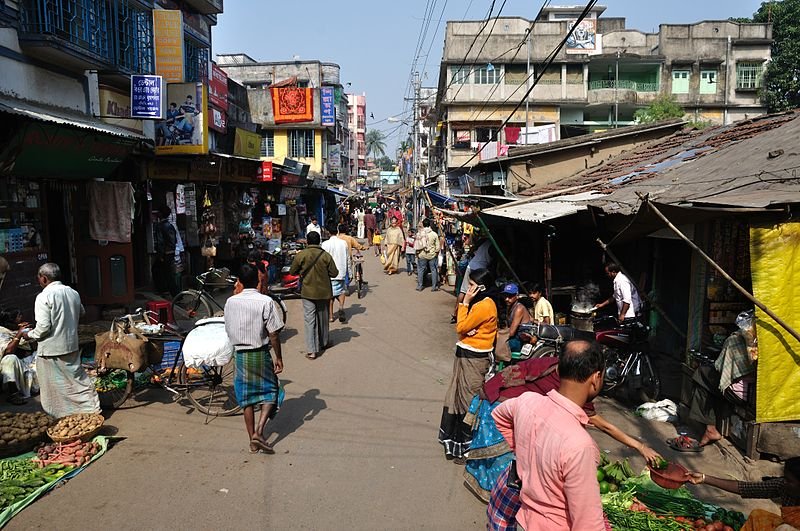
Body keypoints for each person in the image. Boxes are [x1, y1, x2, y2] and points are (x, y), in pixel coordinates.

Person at [471, 356, 662, 521]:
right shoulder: (570, 404)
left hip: (502, 402)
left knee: (513, 472)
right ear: (595, 377)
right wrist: (640, 446)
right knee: (508, 471)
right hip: (500, 407)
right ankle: (504, 503)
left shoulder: (555, 369)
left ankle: (500, 501)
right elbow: (604, 426)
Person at [491, 340, 606, 531]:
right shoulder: (580, 444)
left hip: (524, 518)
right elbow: (588, 524)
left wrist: (523, 454)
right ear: (596, 377)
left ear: (558, 371)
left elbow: (499, 415)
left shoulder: (527, 402)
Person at [22, 263, 100, 418]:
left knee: (53, 387)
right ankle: (90, 410)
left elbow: (43, 327)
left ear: (44, 278)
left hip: (51, 350)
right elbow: (82, 313)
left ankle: (61, 415)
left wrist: (29, 335)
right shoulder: (72, 292)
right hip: (71, 344)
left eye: (39, 278)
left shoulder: (43, 296)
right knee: (77, 381)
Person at [224, 264, 285, 454]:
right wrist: (279, 357)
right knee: (271, 390)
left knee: (247, 398)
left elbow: (227, 327)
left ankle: (253, 440)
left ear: (240, 282)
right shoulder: (265, 302)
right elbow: (273, 333)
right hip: (259, 353)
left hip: (240, 355)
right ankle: (259, 431)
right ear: (257, 281)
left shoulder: (230, 302)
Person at [439, 268, 497, 464]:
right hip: (465, 354)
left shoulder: (484, 306)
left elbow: (461, 327)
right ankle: (456, 444)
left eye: (472, 285)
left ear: (482, 287)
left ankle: (469, 449)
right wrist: (466, 329)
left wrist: (464, 304)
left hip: (475, 358)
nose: (469, 289)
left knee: (468, 401)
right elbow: (464, 330)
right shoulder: (479, 304)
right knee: (456, 396)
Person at [686, 458, 800, 530]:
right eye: (785, 478)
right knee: (758, 515)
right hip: (785, 526)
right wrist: (704, 478)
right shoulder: (783, 486)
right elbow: (746, 488)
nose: (785, 482)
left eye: (789, 481)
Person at [288, 231, 338, 360]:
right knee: (323, 318)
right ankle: (324, 342)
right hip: (323, 292)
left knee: (310, 321)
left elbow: (292, 271)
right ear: (319, 241)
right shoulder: (325, 256)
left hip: (308, 292)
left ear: (307, 241)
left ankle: (312, 351)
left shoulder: (301, 255)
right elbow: (334, 273)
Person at [0, 308, 38, 405]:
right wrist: (19, 334)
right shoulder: (2, 332)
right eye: (18, 316)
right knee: (10, 359)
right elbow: (9, 351)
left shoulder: (17, 329)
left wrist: (30, 334)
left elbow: (33, 347)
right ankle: (13, 394)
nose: (21, 318)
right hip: (11, 366)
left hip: (26, 362)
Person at [453, 236, 495, 323]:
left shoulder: (483, 241)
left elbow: (472, 251)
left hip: (472, 265)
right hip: (480, 270)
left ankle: (455, 313)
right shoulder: (493, 245)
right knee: (475, 293)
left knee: (463, 291)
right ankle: (464, 313)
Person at [322, 224, 350, 324]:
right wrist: (349, 273)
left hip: (329, 274)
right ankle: (341, 307)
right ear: (337, 232)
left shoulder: (325, 244)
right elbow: (348, 259)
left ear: (328, 232)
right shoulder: (343, 243)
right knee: (341, 291)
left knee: (330, 296)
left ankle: (330, 316)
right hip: (341, 272)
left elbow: (323, 260)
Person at [153, 205, 178, 296]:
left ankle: (171, 292)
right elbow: (173, 240)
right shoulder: (170, 225)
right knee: (166, 272)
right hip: (170, 252)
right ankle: (169, 291)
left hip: (165, 253)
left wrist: (161, 255)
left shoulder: (161, 226)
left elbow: (160, 242)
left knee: (164, 273)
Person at [501, 283, 532, 353]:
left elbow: (511, 332)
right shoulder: (509, 307)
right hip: (515, 337)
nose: (506, 299)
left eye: (510, 296)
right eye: (505, 296)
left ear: (517, 296)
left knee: (501, 345)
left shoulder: (519, 309)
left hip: (520, 340)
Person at [416, 218, 440, 291]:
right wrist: (436, 253)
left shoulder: (419, 234)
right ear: (430, 225)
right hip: (431, 255)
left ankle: (420, 286)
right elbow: (437, 247)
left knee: (420, 270)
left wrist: (417, 254)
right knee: (433, 270)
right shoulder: (434, 234)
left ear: (423, 224)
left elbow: (416, 245)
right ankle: (434, 286)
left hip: (422, 255)